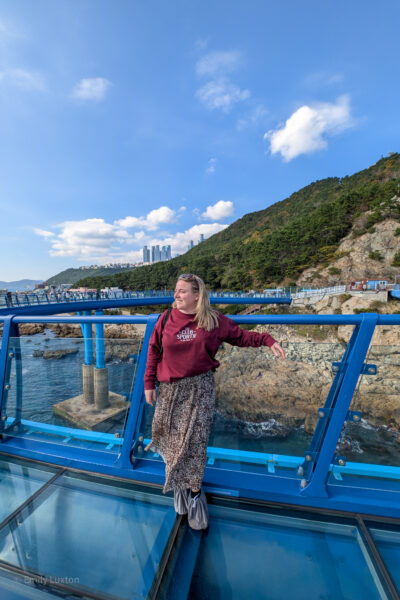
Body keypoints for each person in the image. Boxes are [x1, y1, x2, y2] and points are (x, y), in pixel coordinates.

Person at [144, 274, 285, 530]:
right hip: (170, 390)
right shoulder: (165, 319)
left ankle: (196, 495)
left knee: (196, 443)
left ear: (197, 295)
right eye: (176, 290)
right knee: (173, 440)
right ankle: (180, 488)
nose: (176, 295)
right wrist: (148, 384)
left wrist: (266, 339)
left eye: (182, 291)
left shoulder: (213, 320)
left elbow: (241, 337)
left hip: (201, 389)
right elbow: (153, 350)